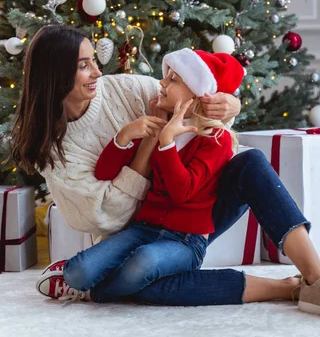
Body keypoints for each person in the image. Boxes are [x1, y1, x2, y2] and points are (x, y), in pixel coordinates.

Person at [12, 25, 320, 322]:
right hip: (133, 229)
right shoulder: (50, 148)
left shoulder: (125, 90)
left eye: (94, 61)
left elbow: (196, 107)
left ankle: (318, 278)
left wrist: (229, 103)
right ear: (56, 74)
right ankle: (290, 288)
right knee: (147, 284)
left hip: (189, 222)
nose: (97, 72)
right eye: (83, 65)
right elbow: (106, 216)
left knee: (250, 163)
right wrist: (146, 143)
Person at [42, 48, 248, 302]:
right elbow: (104, 172)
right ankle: (93, 282)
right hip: (143, 229)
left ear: (196, 95)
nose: (161, 83)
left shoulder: (216, 139)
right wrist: (125, 135)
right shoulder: (157, 122)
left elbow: (181, 192)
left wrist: (167, 143)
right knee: (76, 272)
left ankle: (95, 292)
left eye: (173, 80)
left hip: (185, 242)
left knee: (143, 263)